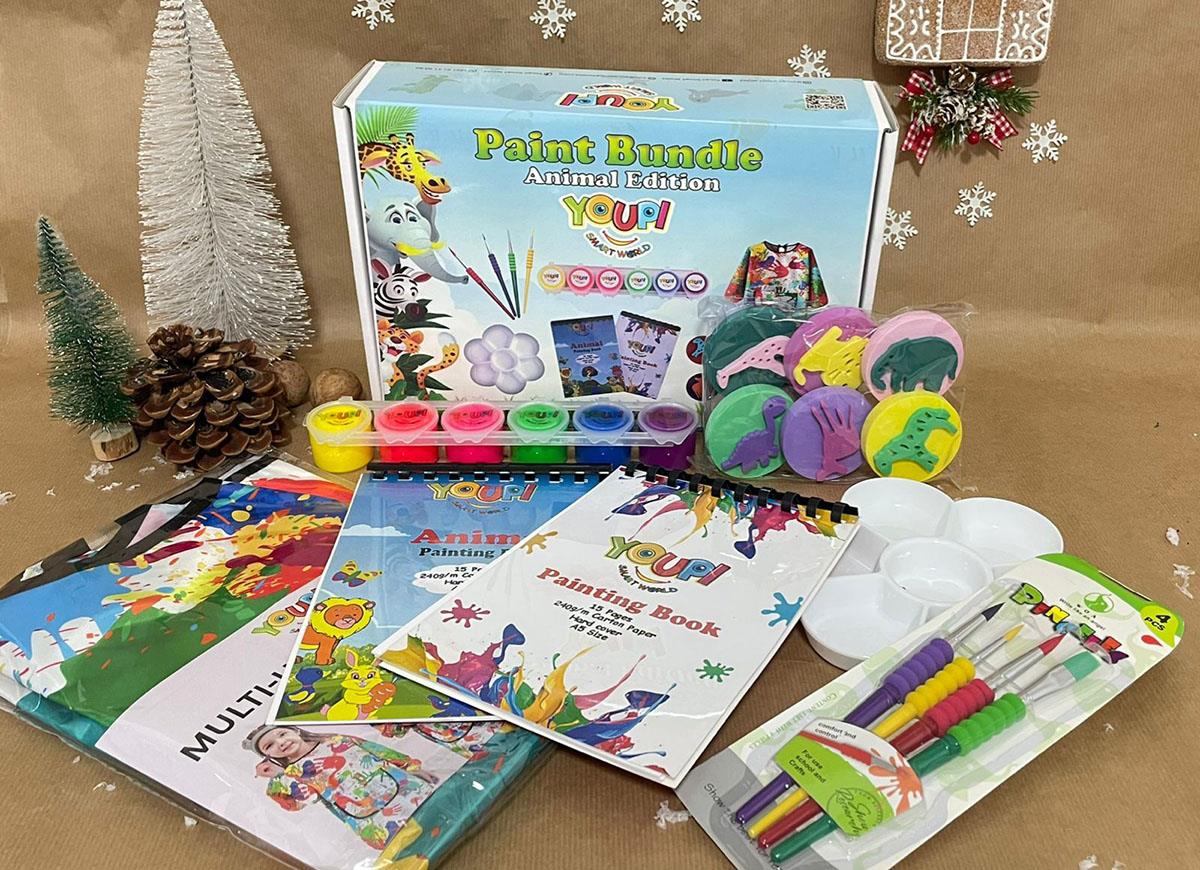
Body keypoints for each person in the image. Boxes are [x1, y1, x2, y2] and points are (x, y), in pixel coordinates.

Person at [245, 724, 439, 850]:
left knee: (439, 813)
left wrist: (411, 766)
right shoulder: (291, 775)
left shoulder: (336, 740)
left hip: (404, 788)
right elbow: (296, 803)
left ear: (295, 730)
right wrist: (277, 775)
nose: (280, 743)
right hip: (370, 816)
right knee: (416, 844)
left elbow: (377, 750)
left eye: (282, 734)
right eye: (269, 746)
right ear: (267, 756)